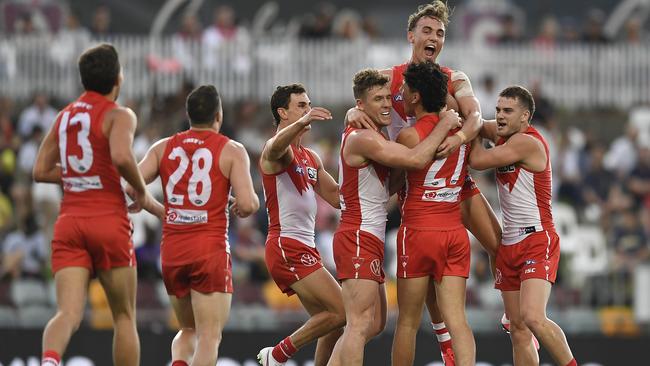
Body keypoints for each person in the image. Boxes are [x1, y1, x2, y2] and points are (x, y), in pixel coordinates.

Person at [346, 2, 501, 364]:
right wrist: (353, 111)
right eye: (428, 31)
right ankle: (447, 335)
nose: (434, 38)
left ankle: (508, 318)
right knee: (442, 281)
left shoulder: (454, 77)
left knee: (497, 248)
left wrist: (458, 138)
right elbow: (360, 104)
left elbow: (476, 115)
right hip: (418, 181)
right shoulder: (389, 78)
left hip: (440, 185)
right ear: (411, 36)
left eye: (441, 33)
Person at [33, 43, 162, 366]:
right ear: (118, 79)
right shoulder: (119, 115)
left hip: (70, 222)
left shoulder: (64, 116)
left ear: (84, 81)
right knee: (123, 316)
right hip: (108, 220)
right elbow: (120, 156)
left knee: (67, 313)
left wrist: (82, 176)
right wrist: (139, 189)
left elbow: (40, 170)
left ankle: (49, 361)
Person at [328, 67, 460, 366]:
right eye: (378, 99)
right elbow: (415, 159)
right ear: (361, 105)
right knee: (360, 323)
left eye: (389, 97)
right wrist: (446, 124)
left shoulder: (376, 133)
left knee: (373, 324)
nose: (387, 104)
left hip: (369, 233)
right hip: (358, 233)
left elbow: (391, 184)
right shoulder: (364, 138)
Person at [131, 85, 259, 366]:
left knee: (188, 329)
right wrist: (237, 203)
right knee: (209, 336)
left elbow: (132, 184)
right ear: (219, 115)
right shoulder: (231, 150)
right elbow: (249, 204)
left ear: (188, 115)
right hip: (208, 249)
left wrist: (159, 209)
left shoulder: (163, 147)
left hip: (174, 250)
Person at [469, 86, 578, 366]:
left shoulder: (527, 142)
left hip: (537, 238)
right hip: (510, 244)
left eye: (508, 111)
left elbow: (477, 160)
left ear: (525, 117)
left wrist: (464, 131)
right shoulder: (504, 134)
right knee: (518, 329)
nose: (501, 117)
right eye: (498, 110)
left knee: (533, 318)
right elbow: (479, 125)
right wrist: (467, 120)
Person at [392, 61, 476, 366]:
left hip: (417, 232)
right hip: (454, 231)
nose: (399, 93)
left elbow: (393, 181)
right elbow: (477, 124)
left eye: (404, 89)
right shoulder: (461, 131)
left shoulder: (409, 137)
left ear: (415, 96)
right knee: (458, 321)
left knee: (408, 323)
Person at [256, 84, 345, 366]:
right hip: (286, 244)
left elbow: (337, 198)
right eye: (301, 106)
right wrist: (304, 122)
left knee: (334, 323)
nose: (308, 110)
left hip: (305, 246)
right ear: (282, 112)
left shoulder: (311, 157)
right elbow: (274, 147)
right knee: (342, 311)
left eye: (309, 105)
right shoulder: (277, 151)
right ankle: (276, 355)